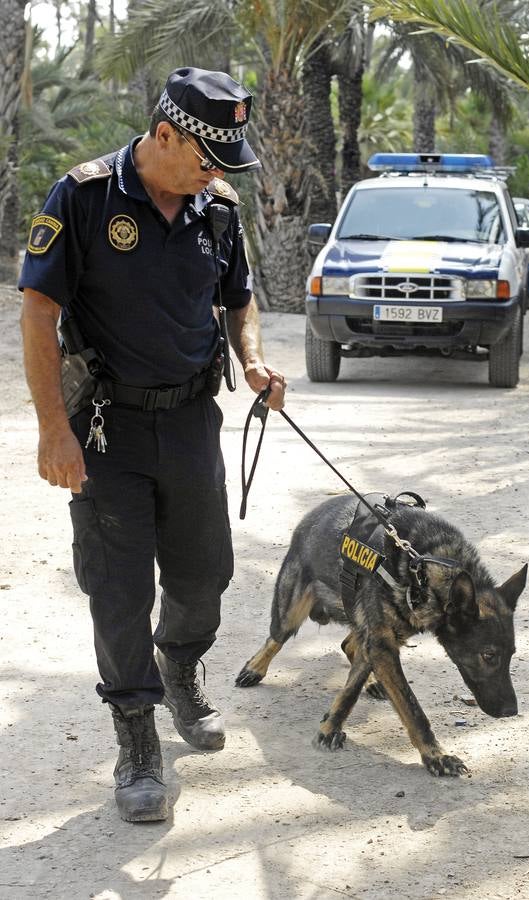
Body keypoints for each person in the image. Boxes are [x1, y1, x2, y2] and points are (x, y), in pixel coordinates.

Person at [19, 67, 286, 823]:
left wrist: (252, 357)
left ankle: (179, 664)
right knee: (119, 588)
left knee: (206, 576)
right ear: (164, 135)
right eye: (206, 157)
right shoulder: (84, 195)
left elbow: (238, 300)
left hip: (192, 419)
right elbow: (38, 314)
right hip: (107, 430)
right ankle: (136, 739)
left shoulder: (217, 206)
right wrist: (52, 431)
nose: (214, 174)